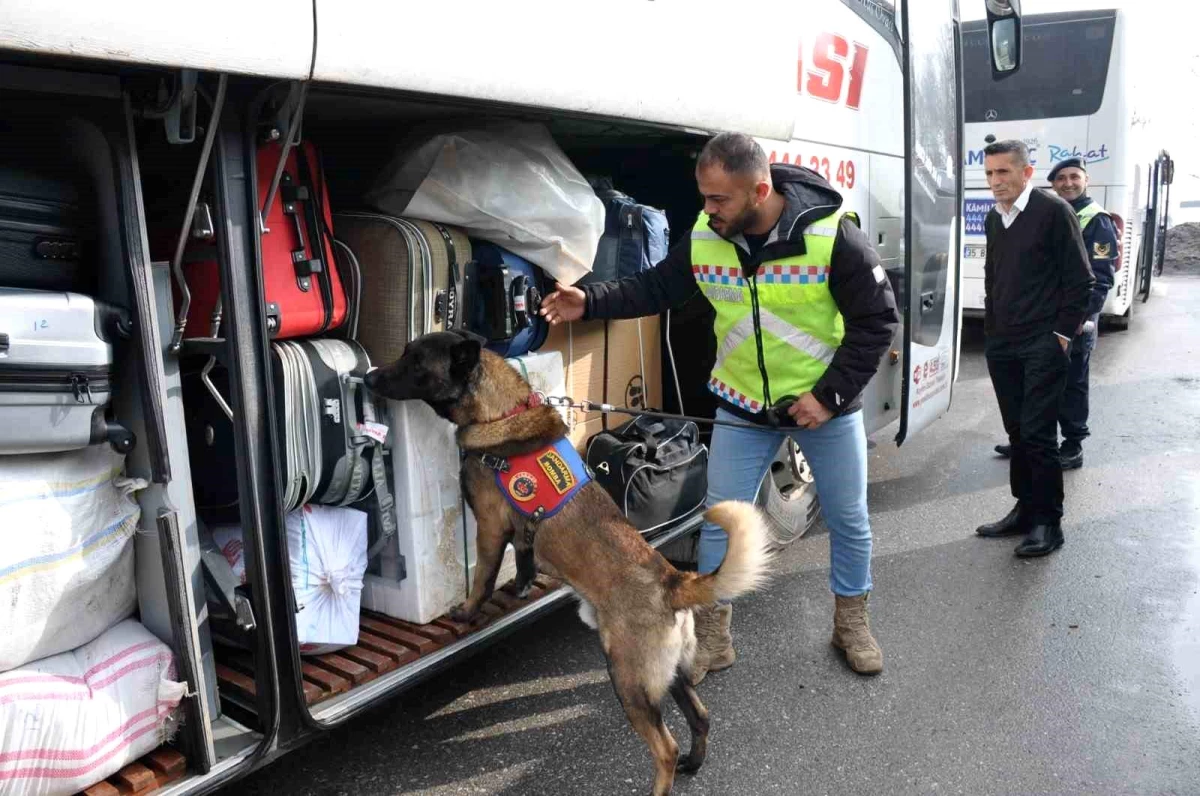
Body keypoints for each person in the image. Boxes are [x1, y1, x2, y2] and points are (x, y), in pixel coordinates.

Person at [539, 132, 899, 679]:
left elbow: (876, 323)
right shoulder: (707, 235)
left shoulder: (833, 237)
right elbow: (656, 287)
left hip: (825, 407)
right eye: (704, 197)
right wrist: (589, 301)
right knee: (720, 522)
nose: (707, 210)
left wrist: (828, 397)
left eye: (718, 200)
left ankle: (850, 623)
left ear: (759, 190)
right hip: (740, 406)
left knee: (850, 520)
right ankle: (713, 638)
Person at [975, 140, 1094, 557]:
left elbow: (1081, 281)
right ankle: (1025, 510)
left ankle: (1049, 523)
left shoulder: (1053, 211)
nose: (995, 182)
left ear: (1026, 173)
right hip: (1003, 343)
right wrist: (991, 331)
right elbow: (993, 275)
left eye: (1003, 172)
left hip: (1042, 343)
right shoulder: (995, 217)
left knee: (1040, 435)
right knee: (1018, 433)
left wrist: (1061, 337)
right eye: (989, 174)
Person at [993, 157, 1118, 469]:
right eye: (1060, 178)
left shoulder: (1096, 219)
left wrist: (1076, 321)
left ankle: (1073, 444)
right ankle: (1025, 439)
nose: (1068, 183)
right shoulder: (1045, 214)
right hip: (1041, 322)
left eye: (1074, 177)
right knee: (1032, 385)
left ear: (1086, 180)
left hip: (1074, 323)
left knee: (1071, 384)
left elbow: (1100, 278)